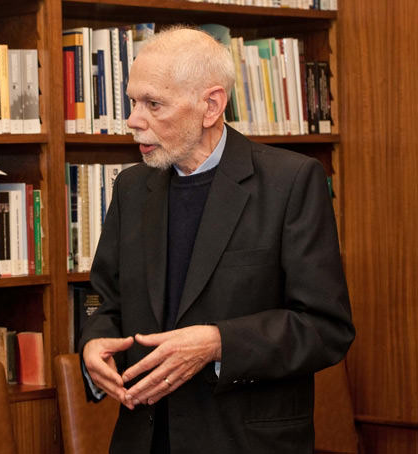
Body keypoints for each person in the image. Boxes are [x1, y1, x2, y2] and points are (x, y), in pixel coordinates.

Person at [79, 26, 355, 454]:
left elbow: (325, 327)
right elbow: (102, 298)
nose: (133, 120)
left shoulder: (291, 182)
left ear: (210, 105)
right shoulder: (132, 188)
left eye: (153, 104)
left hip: (244, 440)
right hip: (144, 440)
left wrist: (218, 343)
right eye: (133, 102)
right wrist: (93, 342)